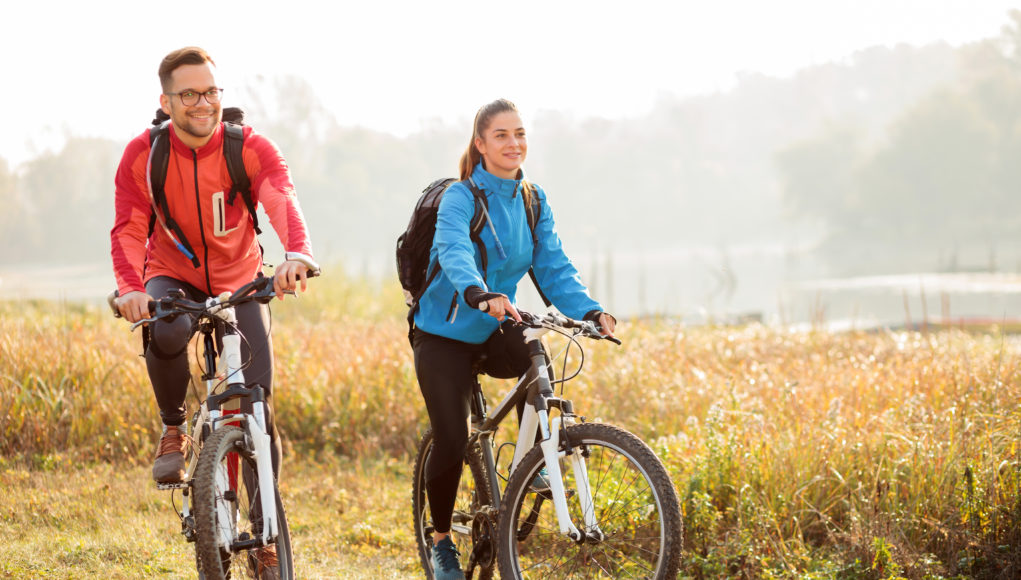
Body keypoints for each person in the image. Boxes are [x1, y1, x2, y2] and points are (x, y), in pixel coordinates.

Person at [411, 98, 616, 580]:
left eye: (520, 134)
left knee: (535, 350)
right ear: (480, 144)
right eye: (501, 135)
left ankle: (534, 462)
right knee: (452, 434)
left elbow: (553, 265)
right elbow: (454, 249)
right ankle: (441, 541)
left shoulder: (532, 198)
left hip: (494, 321)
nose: (513, 143)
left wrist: (589, 309)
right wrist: (477, 292)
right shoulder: (462, 197)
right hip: (443, 332)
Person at [110, 47, 315, 498]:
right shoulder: (144, 154)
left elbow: (281, 195)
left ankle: (266, 531)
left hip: (239, 277)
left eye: (211, 92)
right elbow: (127, 228)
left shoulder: (249, 147)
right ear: (166, 102)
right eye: (189, 95)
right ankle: (173, 427)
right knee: (165, 328)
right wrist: (129, 288)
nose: (203, 103)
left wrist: (297, 253)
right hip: (171, 273)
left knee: (257, 405)